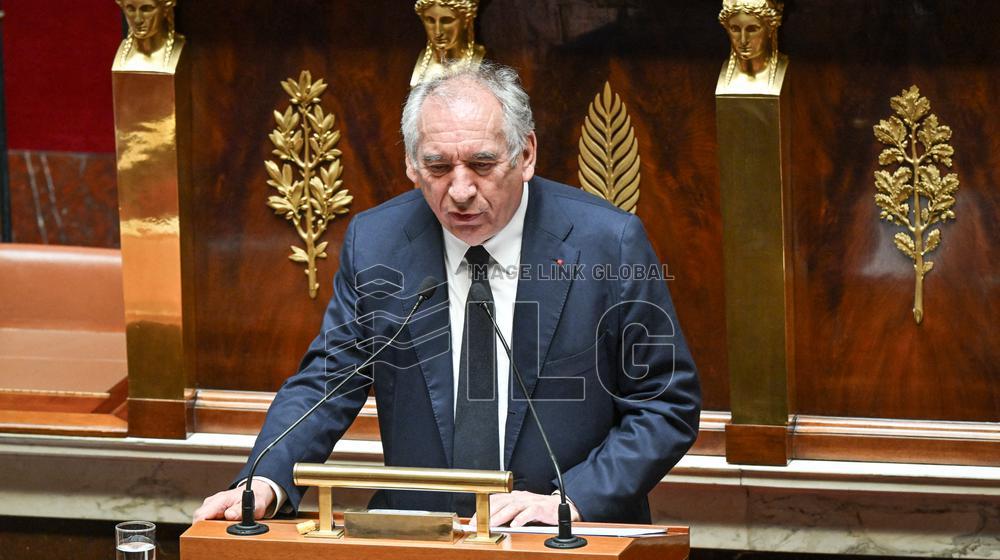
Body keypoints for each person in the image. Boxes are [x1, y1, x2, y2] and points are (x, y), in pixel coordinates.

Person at [194, 62, 700, 527]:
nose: (460, 190)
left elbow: (664, 405)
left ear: (525, 155)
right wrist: (265, 476)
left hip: (563, 535)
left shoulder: (606, 243)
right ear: (412, 166)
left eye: (482, 164)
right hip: (422, 537)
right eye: (437, 168)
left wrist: (572, 501)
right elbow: (327, 382)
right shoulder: (379, 244)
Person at [717, 0, 787, 94]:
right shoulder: (724, 76)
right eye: (735, 29)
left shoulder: (784, 68)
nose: (743, 40)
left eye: (752, 29)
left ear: (771, 29)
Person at [410, 0, 486, 87]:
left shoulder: (478, 60)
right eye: (430, 20)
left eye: (446, 20)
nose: (438, 32)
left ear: (466, 20)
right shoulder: (422, 62)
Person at [114, 0, 184, 72]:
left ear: (166, 8)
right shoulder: (123, 56)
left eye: (146, 9)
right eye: (131, 9)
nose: (137, 20)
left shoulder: (181, 48)